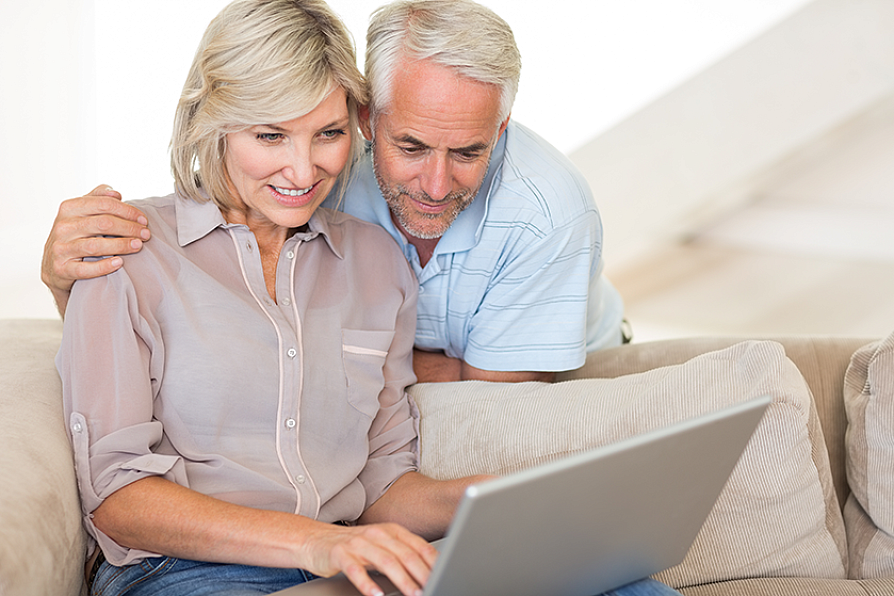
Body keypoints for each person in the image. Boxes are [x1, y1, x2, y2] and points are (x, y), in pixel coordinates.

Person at [57, 2, 491, 595]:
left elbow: (384, 482)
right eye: (270, 134)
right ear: (212, 121)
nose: (303, 168)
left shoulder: (376, 262)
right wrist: (316, 542)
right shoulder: (124, 249)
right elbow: (116, 496)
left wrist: (488, 497)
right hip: (185, 572)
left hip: (344, 564)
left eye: (329, 134)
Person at [41, 0, 626, 385]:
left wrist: (331, 354)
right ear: (370, 119)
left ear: (499, 134)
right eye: (413, 146)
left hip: (562, 369)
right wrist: (67, 281)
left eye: (469, 152)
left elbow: (494, 396)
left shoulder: (549, 213)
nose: (437, 184)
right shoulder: (320, 175)